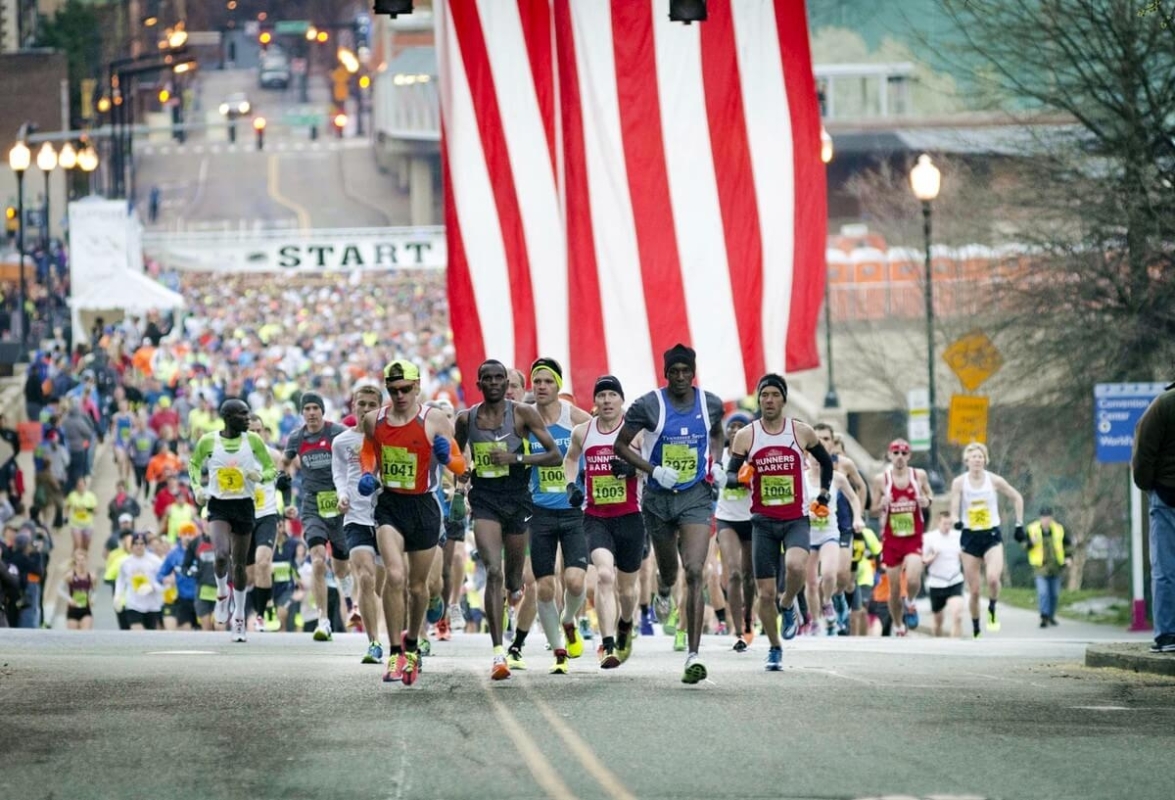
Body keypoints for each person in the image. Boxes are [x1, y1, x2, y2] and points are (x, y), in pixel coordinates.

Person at [611, 344, 726, 683]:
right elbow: (620, 445)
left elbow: (717, 431)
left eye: (685, 371)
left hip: (695, 496)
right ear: (665, 374)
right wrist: (653, 470)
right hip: (658, 500)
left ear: (693, 373)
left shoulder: (710, 404)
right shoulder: (648, 405)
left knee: (695, 570)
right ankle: (663, 591)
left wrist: (718, 462)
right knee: (670, 571)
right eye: (673, 371)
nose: (680, 377)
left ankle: (693, 654)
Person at [454, 359, 561, 681]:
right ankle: (498, 652)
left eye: (499, 378)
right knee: (494, 571)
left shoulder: (523, 413)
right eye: (487, 378)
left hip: (517, 499)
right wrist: (461, 475)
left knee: (514, 580)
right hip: (485, 499)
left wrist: (516, 458)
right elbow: (455, 457)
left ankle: (514, 591)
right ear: (479, 384)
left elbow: (554, 455)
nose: (493, 383)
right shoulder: (466, 418)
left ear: (506, 383)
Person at [361, 360, 465, 685]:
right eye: (393, 390)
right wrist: (367, 473)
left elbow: (461, 466)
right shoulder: (374, 420)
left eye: (405, 389)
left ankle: (413, 645)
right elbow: (369, 451)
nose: (400, 395)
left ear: (417, 386)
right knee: (394, 575)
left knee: (418, 588)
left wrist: (447, 458)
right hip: (390, 505)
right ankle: (395, 652)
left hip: (424, 507)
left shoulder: (434, 419)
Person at [725, 373, 835, 672]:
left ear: (784, 399)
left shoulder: (800, 432)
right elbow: (730, 475)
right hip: (762, 521)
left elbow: (826, 462)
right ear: (758, 400)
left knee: (796, 566)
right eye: (764, 395)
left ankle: (787, 605)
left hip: (795, 518)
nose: (769, 400)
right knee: (765, 594)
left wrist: (824, 494)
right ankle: (774, 648)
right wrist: (740, 476)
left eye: (775, 394)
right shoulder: (746, 436)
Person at [512, 358, 591, 671]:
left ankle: (568, 619)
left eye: (548, 381)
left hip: (573, 512)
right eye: (537, 381)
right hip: (540, 512)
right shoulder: (525, 418)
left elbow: (602, 439)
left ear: (558, 385)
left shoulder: (575, 417)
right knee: (544, 586)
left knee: (575, 581)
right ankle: (559, 652)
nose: (542, 386)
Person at [563, 375, 644, 672]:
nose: (607, 400)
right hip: (596, 518)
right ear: (595, 401)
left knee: (628, 590)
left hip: (631, 516)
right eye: (602, 395)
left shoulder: (636, 433)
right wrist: (571, 486)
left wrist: (632, 470)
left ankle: (626, 623)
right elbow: (570, 460)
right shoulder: (582, 432)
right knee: (605, 576)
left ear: (621, 400)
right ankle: (607, 645)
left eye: (612, 395)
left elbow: (653, 465)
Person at [189, 398, 277, 642]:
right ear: (227, 418)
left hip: (244, 505)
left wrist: (259, 476)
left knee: (239, 565)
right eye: (243, 414)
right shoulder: (209, 441)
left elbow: (272, 470)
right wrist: (197, 488)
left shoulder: (254, 441)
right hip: (218, 505)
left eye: (248, 414)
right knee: (220, 555)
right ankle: (221, 594)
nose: (248, 419)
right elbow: (194, 464)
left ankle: (239, 617)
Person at [283, 392, 351, 642]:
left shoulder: (337, 432)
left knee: (342, 567)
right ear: (302, 412)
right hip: (312, 505)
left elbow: (356, 453)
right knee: (318, 560)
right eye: (307, 408)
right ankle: (323, 621)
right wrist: (287, 500)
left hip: (339, 504)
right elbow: (284, 464)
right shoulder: (296, 437)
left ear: (322, 410)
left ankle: (350, 598)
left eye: (315, 408)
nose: (311, 412)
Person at [333, 383, 386, 665]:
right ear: (353, 405)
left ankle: (398, 637)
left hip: (387, 516)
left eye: (371, 405)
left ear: (380, 407)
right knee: (365, 577)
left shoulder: (390, 436)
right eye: (361, 404)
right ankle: (374, 642)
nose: (365, 409)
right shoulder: (341, 442)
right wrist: (342, 496)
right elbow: (340, 474)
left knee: (386, 585)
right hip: (355, 516)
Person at [948, 442, 1025, 638]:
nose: (977, 460)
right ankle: (976, 628)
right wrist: (956, 522)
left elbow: (1017, 497)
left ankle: (992, 607)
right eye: (973, 457)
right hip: (970, 536)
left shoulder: (994, 480)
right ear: (967, 460)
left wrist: (1019, 524)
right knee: (974, 591)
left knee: (992, 578)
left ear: (985, 460)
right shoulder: (959, 482)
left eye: (980, 457)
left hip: (991, 535)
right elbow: (954, 511)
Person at [871, 439, 934, 637]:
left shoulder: (919, 476)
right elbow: (872, 510)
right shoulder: (881, 480)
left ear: (909, 456)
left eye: (903, 453)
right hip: (891, 540)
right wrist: (882, 503)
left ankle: (911, 602)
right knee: (895, 589)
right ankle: (898, 625)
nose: (899, 457)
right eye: (896, 453)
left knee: (914, 578)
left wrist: (926, 501)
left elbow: (930, 496)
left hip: (913, 537)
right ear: (890, 455)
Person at [1132, 381, 1175, 654]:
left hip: (1166, 496)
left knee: (1165, 569)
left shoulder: (1164, 404)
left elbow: (1144, 451)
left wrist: (1149, 486)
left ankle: (1167, 633)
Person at [715, 412, 756, 651]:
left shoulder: (754, 456)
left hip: (751, 520)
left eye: (741, 426)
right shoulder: (719, 456)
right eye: (732, 426)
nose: (735, 430)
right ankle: (737, 630)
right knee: (734, 573)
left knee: (750, 576)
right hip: (726, 519)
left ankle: (749, 618)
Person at [1017, 507, 1072, 628]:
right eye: (1044, 517)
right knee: (1043, 592)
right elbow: (1024, 545)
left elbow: (1067, 544)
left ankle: (1051, 615)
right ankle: (1044, 616)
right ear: (1040, 518)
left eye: (1048, 517)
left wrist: (1068, 557)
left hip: (1056, 566)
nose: (1046, 520)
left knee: (1054, 594)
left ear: (1051, 518)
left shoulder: (1058, 529)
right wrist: (1031, 543)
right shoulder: (1032, 529)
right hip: (1040, 567)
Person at [923, 511, 965, 638]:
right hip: (936, 582)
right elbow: (923, 560)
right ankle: (938, 641)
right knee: (938, 621)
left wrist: (963, 557)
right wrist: (933, 556)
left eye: (949, 524)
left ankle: (955, 645)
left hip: (954, 579)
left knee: (957, 616)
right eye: (944, 524)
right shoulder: (929, 537)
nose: (947, 527)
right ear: (938, 522)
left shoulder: (958, 536)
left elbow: (965, 556)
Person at [114, 532, 165, 630]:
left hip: (151, 604)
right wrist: (118, 595)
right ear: (132, 546)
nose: (139, 546)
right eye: (136, 544)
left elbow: (163, 580)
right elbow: (120, 580)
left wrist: (153, 587)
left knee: (149, 634)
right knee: (137, 632)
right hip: (133, 603)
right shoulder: (125, 562)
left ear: (146, 545)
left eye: (142, 544)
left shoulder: (155, 561)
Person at [59, 548, 97, 630]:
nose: (81, 562)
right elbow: (59, 589)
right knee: (73, 636)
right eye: (78, 560)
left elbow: (94, 590)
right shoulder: (70, 575)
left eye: (83, 560)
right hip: (73, 610)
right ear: (75, 561)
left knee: (85, 633)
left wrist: (92, 599)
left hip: (86, 609)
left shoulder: (91, 576)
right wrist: (69, 600)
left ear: (86, 560)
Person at [64, 476, 98, 552]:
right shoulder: (72, 495)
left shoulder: (91, 496)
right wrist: (66, 516)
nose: (80, 487)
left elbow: (96, 511)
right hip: (75, 524)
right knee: (78, 544)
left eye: (82, 485)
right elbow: (67, 506)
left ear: (85, 486)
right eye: (78, 485)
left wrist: (87, 509)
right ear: (76, 486)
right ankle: (75, 557)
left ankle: (82, 558)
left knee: (86, 546)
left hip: (88, 524)